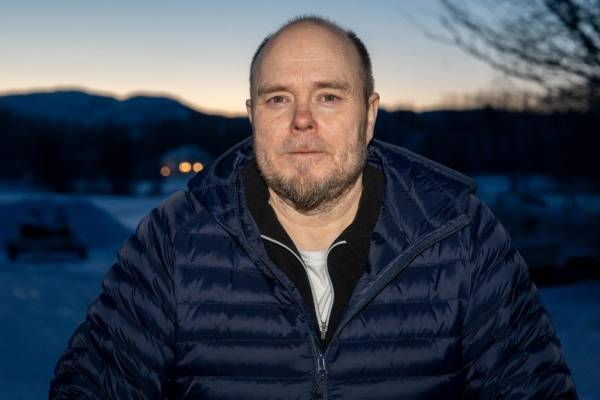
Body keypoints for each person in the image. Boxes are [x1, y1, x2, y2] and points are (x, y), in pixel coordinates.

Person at [50, 16, 578, 399]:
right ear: (253, 116)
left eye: (329, 96)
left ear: (368, 116)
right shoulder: (173, 240)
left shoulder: (461, 235)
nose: (302, 120)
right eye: (278, 98)